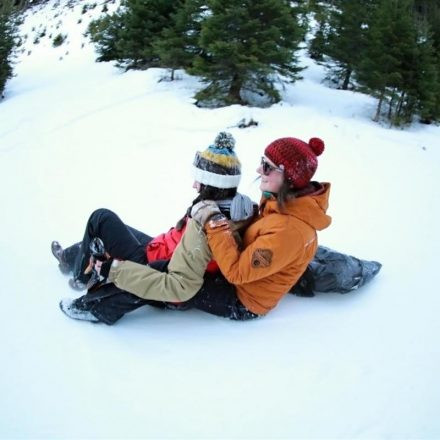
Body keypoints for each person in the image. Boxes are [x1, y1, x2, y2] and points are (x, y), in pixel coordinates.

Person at [58, 134, 335, 324]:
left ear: (288, 176)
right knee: (122, 235)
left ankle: (95, 306)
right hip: (218, 265)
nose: (259, 170)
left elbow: (238, 272)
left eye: (267, 166)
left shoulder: (290, 231)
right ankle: (74, 259)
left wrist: (214, 224)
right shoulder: (279, 203)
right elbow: (263, 240)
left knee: (164, 279)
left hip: (242, 300)